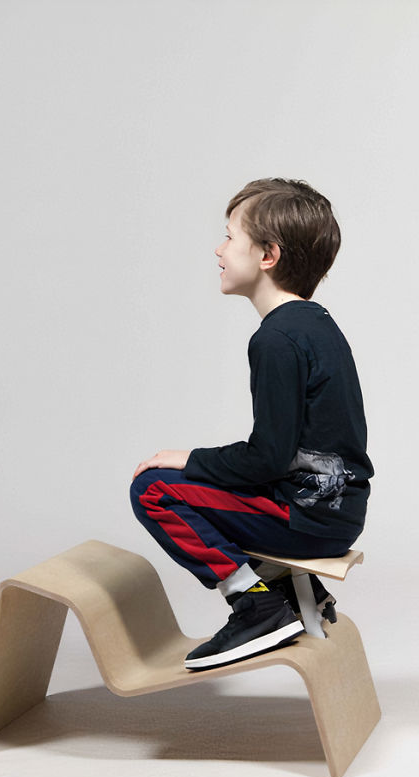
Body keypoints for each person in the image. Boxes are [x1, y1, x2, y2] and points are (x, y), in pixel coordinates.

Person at [130, 178, 373, 671]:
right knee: (196, 488)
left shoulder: (277, 340)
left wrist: (189, 459)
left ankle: (256, 605)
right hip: (337, 511)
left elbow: (267, 458)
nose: (218, 249)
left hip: (307, 518)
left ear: (268, 255)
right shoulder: (317, 324)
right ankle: (290, 590)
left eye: (229, 237)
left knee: (154, 489)